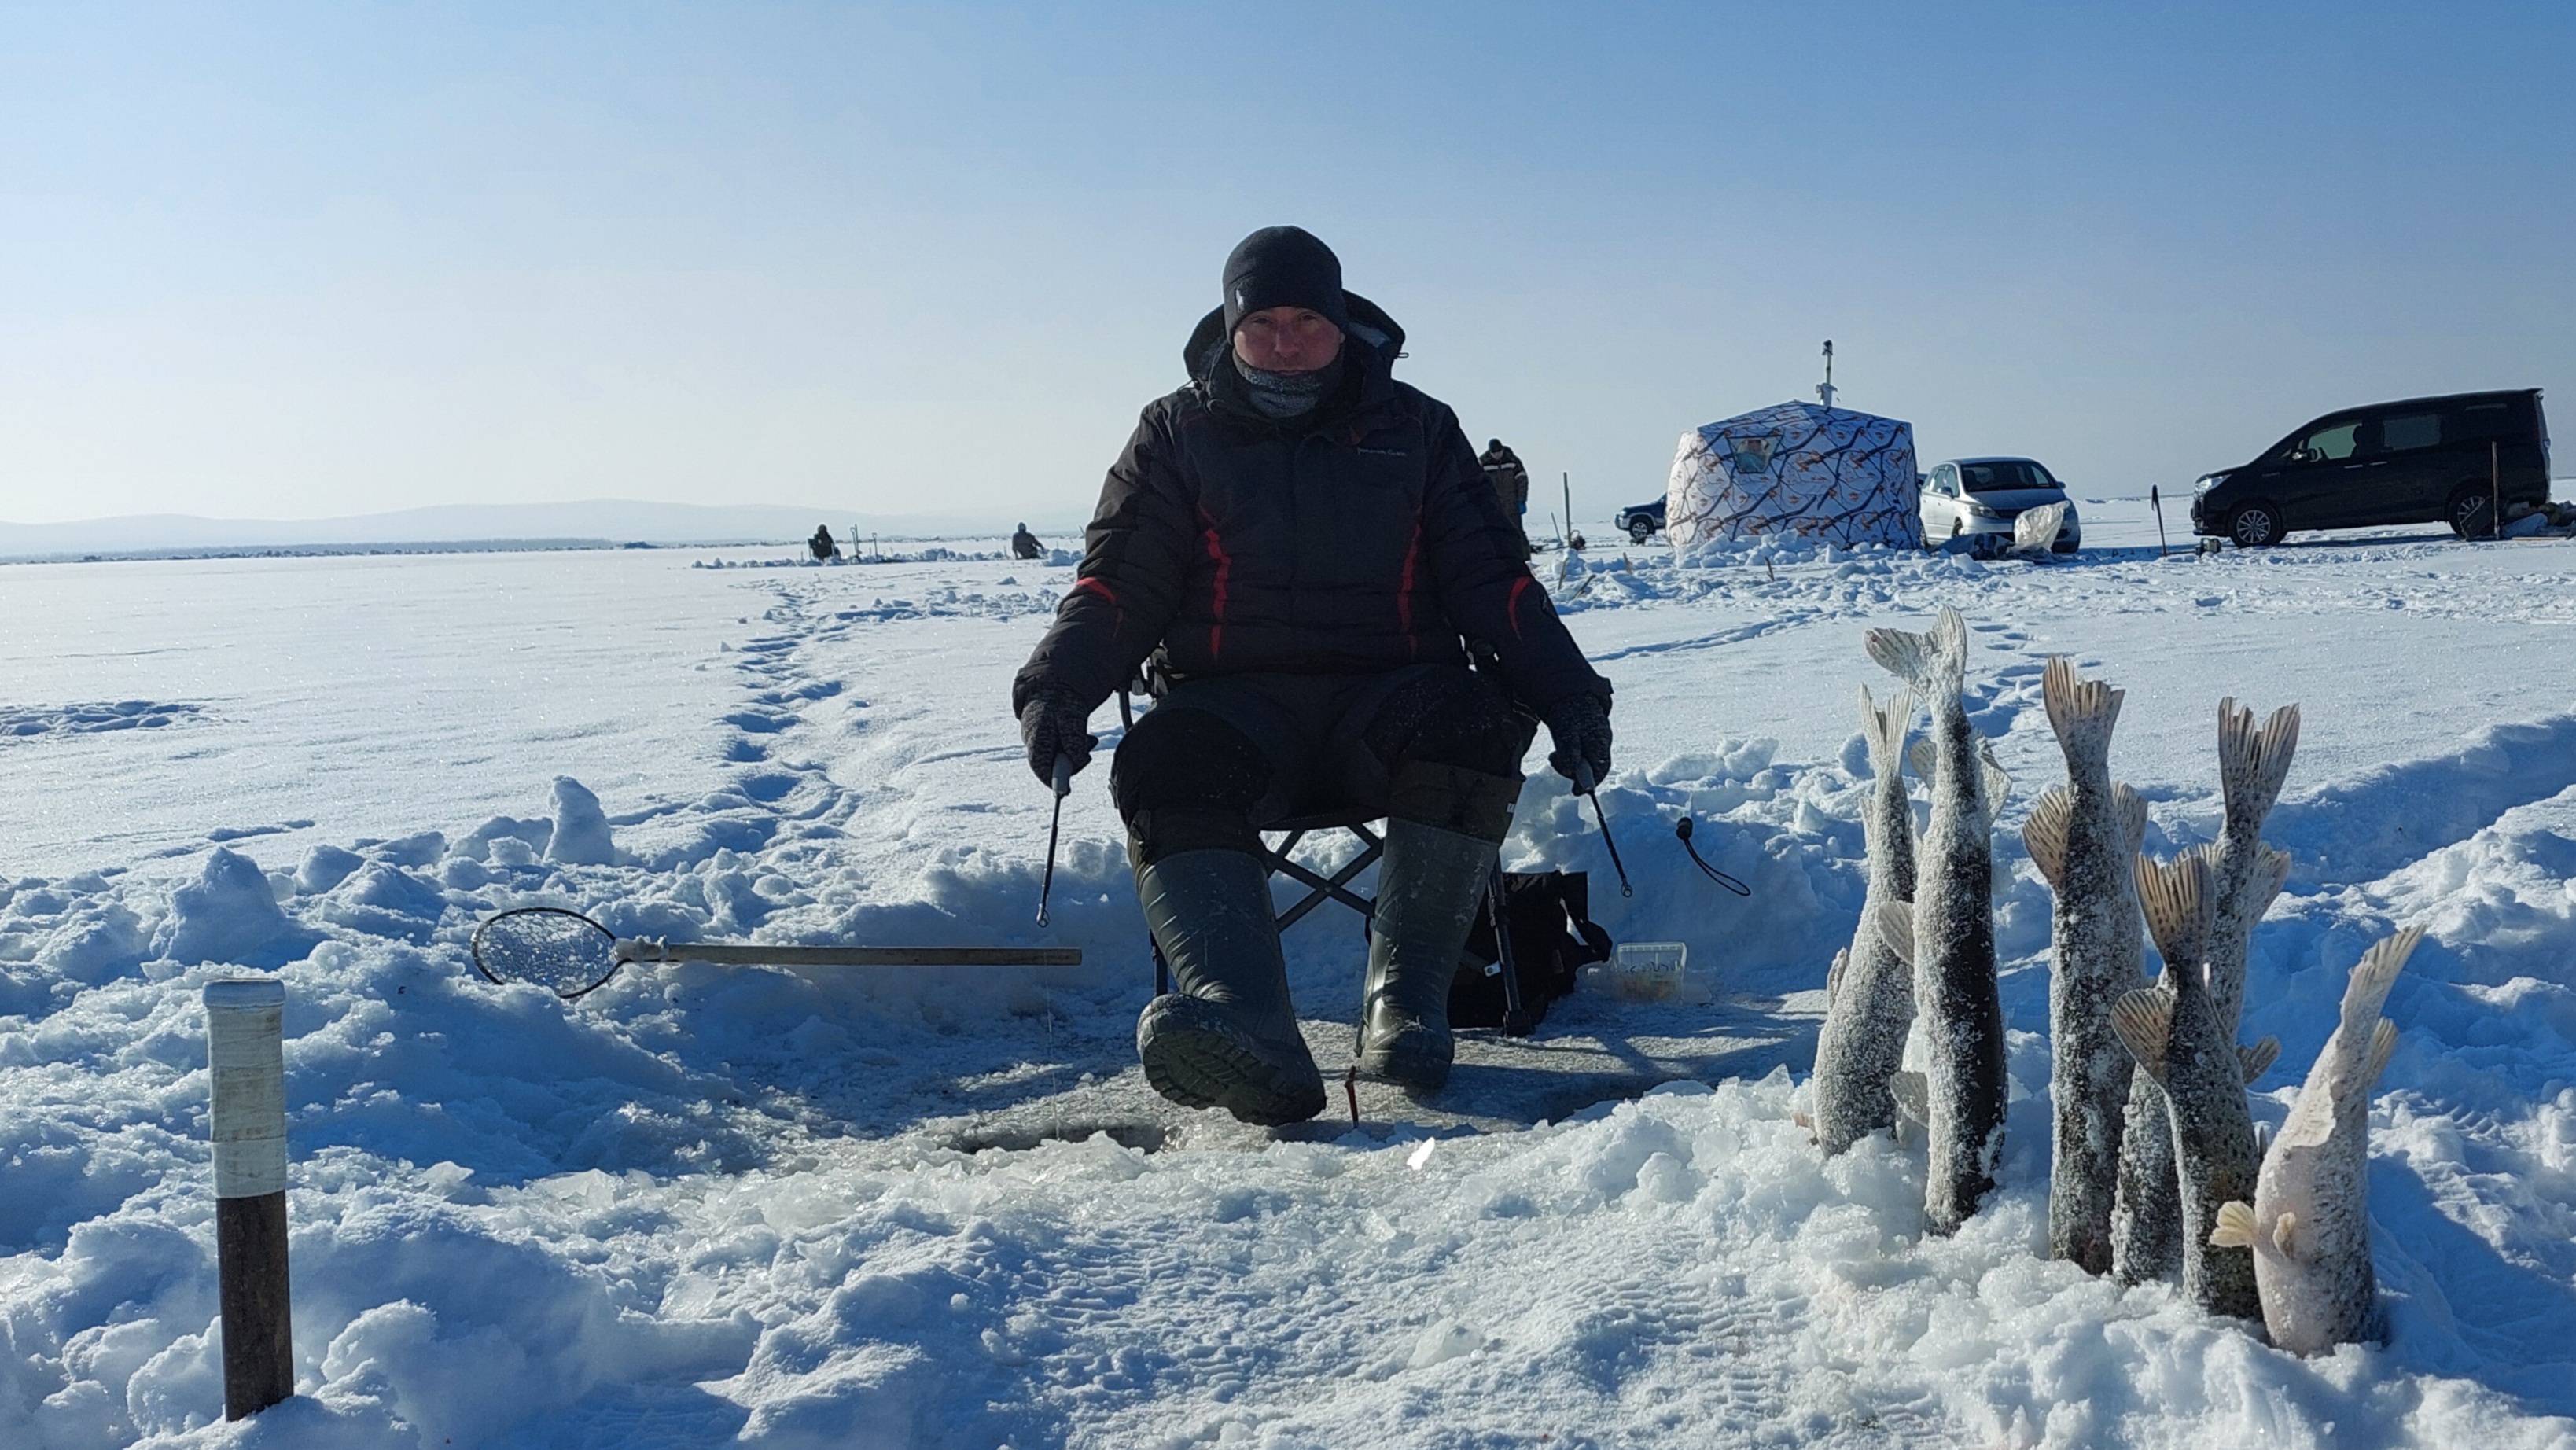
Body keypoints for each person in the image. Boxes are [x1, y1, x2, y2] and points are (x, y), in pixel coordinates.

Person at [1013, 226, 1612, 1125]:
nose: (1285, 341)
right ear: (1231, 328)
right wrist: (1057, 689)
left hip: (1392, 706)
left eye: (1306, 321)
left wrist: (1570, 692)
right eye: (1263, 324)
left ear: (1342, 326)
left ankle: (1407, 1008)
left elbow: (1495, 582)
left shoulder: (1419, 430)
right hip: (1232, 715)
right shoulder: (1174, 433)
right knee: (1161, 760)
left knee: (1480, 720)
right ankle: (1247, 1024)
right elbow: (1117, 582)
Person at [1478, 439, 1533, 558]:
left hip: (1512, 503)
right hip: (1493, 505)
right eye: (1494, 453)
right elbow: (1477, 484)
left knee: (1517, 531)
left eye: (1499, 452)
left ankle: (1525, 559)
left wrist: (1521, 500)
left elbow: (1522, 480)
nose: (1497, 455)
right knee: (1495, 533)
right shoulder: (1483, 462)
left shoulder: (1513, 460)